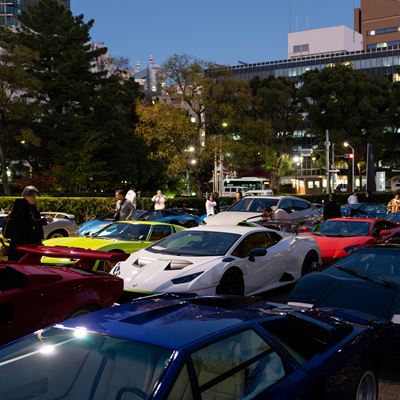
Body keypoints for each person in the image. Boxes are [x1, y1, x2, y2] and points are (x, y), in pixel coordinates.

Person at [5, 186, 51, 262]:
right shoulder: (22, 206)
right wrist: (44, 220)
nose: (35, 199)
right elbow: (28, 223)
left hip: (24, 242)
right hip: (23, 243)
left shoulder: (28, 206)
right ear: (28, 196)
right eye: (33, 197)